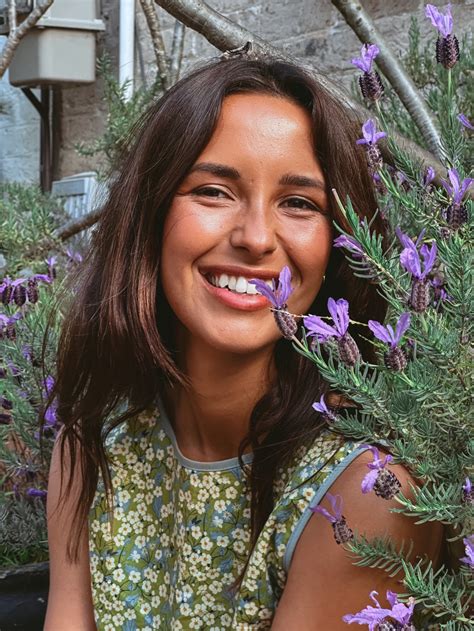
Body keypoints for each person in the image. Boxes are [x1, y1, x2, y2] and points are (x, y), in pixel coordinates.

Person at [44, 53, 442, 630]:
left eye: (299, 203)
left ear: (342, 244)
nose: (256, 238)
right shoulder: (92, 446)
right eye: (213, 191)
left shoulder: (365, 491)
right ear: (149, 214)